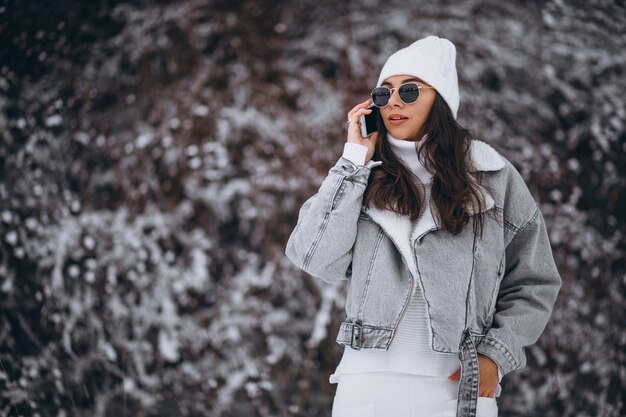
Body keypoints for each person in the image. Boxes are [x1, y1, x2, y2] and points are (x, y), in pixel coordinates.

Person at [284, 35, 562, 417]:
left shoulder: (493, 178)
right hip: (367, 386)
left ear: (441, 100)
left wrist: (497, 356)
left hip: (455, 388)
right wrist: (352, 162)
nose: (394, 101)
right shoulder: (361, 178)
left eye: (410, 90)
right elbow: (314, 258)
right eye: (384, 94)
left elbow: (534, 281)